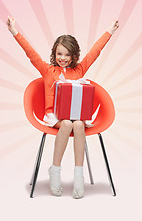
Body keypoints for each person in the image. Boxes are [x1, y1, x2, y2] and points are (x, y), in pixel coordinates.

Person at [7, 16, 119, 198]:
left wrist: (110, 31)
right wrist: (14, 31)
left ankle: (78, 174)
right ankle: (55, 170)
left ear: (74, 56)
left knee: (78, 124)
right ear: (54, 54)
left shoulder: (79, 70)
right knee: (66, 123)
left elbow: (95, 52)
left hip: (77, 116)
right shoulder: (48, 70)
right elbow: (30, 53)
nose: (63, 58)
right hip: (55, 117)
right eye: (60, 54)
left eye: (67, 55)